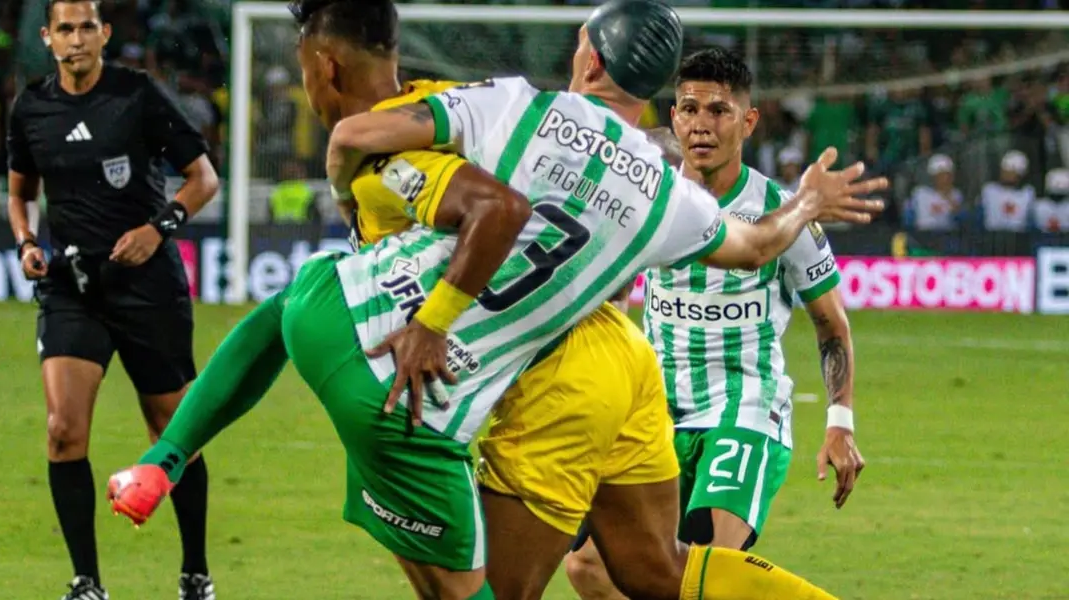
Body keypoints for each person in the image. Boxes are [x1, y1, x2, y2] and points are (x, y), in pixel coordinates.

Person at [109, 5, 886, 600]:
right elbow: (757, 243)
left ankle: (165, 458)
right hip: (595, 361)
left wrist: (362, 209)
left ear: (585, 50)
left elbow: (355, 134)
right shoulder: (671, 202)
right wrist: (806, 204)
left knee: (503, 586)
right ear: (662, 97)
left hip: (416, 341)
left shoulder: (517, 107)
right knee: (654, 568)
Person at [283, 2, 685, 597]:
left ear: (324, 68)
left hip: (560, 368)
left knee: (491, 590)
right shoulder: (551, 132)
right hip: (612, 345)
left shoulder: (455, 128)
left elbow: (362, 141)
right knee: (649, 571)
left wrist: (347, 187)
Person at [563, 47, 867, 600]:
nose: (702, 124)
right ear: (674, 118)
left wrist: (839, 421)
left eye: (719, 111)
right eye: (689, 109)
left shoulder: (782, 212)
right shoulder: (648, 197)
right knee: (589, 568)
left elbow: (831, 324)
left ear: (748, 121)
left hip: (744, 407)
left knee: (710, 566)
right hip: (651, 411)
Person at [5, 1, 219, 598]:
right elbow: (19, 194)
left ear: (103, 34)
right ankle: (86, 583)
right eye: (65, 29)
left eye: (87, 28)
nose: (77, 40)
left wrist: (160, 228)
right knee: (62, 431)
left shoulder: (138, 95)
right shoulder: (32, 108)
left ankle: (196, 573)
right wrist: (25, 243)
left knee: (173, 432)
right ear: (48, 38)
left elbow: (204, 179)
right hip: (72, 289)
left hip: (149, 289)